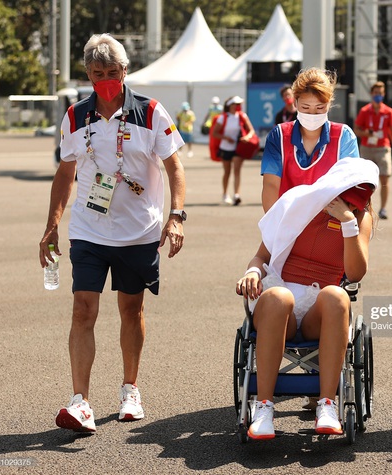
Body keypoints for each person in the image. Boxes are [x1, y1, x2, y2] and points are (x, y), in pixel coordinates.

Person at [38, 33, 187, 433]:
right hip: (88, 230)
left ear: (125, 72)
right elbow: (65, 173)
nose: (106, 79)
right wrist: (52, 225)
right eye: (98, 72)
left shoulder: (152, 112)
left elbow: (175, 168)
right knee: (83, 308)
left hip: (139, 232)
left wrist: (177, 216)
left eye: (113, 72)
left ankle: (130, 389)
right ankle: (80, 400)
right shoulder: (75, 117)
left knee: (131, 310)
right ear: (88, 74)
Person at [236, 157, 379, 439]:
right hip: (281, 298)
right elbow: (262, 256)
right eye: (346, 200)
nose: (350, 206)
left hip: (319, 307)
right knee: (278, 296)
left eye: (356, 204)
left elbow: (355, 273)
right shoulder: (297, 201)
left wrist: (348, 222)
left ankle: (327, 405)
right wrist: (252, 271)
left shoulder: (359, 218)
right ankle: (264, 407)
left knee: (338, 296)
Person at [261, 67, 360, 212]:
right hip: (288, 221)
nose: (312, 114)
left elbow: (351, 185)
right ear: (295, 104)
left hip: (330, 223)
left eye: (320, 107)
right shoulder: (279, 136)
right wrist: (274, 226)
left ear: (329, 104)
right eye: (306, 107)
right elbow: (270, 185)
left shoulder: (344, 137)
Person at [354, 81, 392, 219]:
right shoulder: (364, 111)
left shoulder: (388, 111)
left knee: (385, 179)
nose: (378, 96)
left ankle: (383, 208)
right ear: (371, 94)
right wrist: (367, 133)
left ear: (384, 94)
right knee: (364, 181)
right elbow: (356, 129)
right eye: (376, 93)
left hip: (383, 148)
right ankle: (364, 206)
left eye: (380, 93)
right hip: (367, 148)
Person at [211, 95, 256, 206]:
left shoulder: (242, 116)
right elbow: (214, 133)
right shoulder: (223, 117)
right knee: (227, 171)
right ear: (230, 105)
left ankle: (236, 194)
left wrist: (247, 137)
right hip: (225, 147)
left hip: (238, 147)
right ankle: (225, 194)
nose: (238, 106)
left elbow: (251, 130)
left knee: (237, 170)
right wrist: (226, 138)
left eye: (239, 104)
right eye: (236, 104)